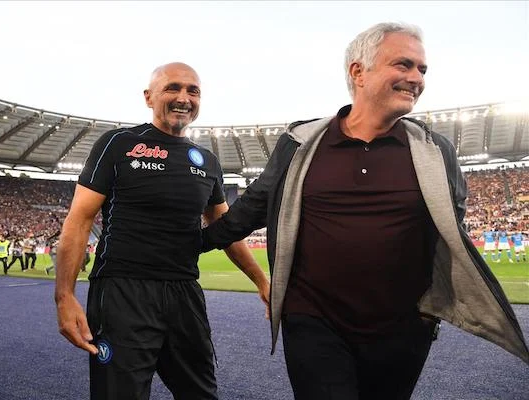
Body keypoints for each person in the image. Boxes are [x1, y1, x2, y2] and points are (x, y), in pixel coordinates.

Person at [201, 22, 529, 399]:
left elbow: (451, 233)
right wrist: (181, 245)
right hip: (313, 321)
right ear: (358, 72)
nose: (417, 78)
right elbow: (246, 213)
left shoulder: (436, 151)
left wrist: (427, 312)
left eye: (422, 69)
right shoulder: (300, 144)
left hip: (403, 330)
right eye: (403, 64)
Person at [54, 62, 270, 400]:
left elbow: (225, 229)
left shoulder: (207, 161)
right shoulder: (118, 143)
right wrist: (64, 296)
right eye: (173, 88)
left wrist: (262, 281)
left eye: (193, 91)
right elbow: (79, 221)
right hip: (123, 291)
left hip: (185, 292)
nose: (184, 98)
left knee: (201, 394)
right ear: (149, 97)